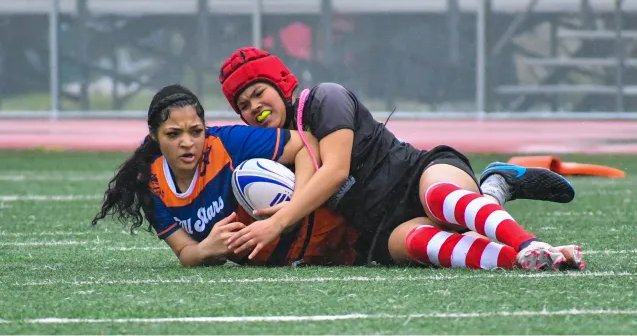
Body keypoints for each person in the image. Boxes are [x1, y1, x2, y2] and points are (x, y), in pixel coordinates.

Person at [218, 47, 585, 271]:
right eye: (244, 106)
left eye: (258, 93)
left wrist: (276, 223)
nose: (254, 108)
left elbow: (335, 172)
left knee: (442, 200)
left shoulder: (324, 99)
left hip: (417, 175)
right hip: (383, 228)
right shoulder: (276, 155)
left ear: (281, 82)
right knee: (421, 245)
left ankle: (529, 243)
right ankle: (531, 257)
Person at [91, 84, 358, 267]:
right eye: (173, 134)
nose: (188, 142)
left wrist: (293, 208)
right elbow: (185, 252)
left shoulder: (227, 142)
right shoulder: (151, 185)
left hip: (335, 235)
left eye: (196, 131)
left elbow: (306, 142)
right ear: (154, 136)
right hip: (273, 265)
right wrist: (207, 248)